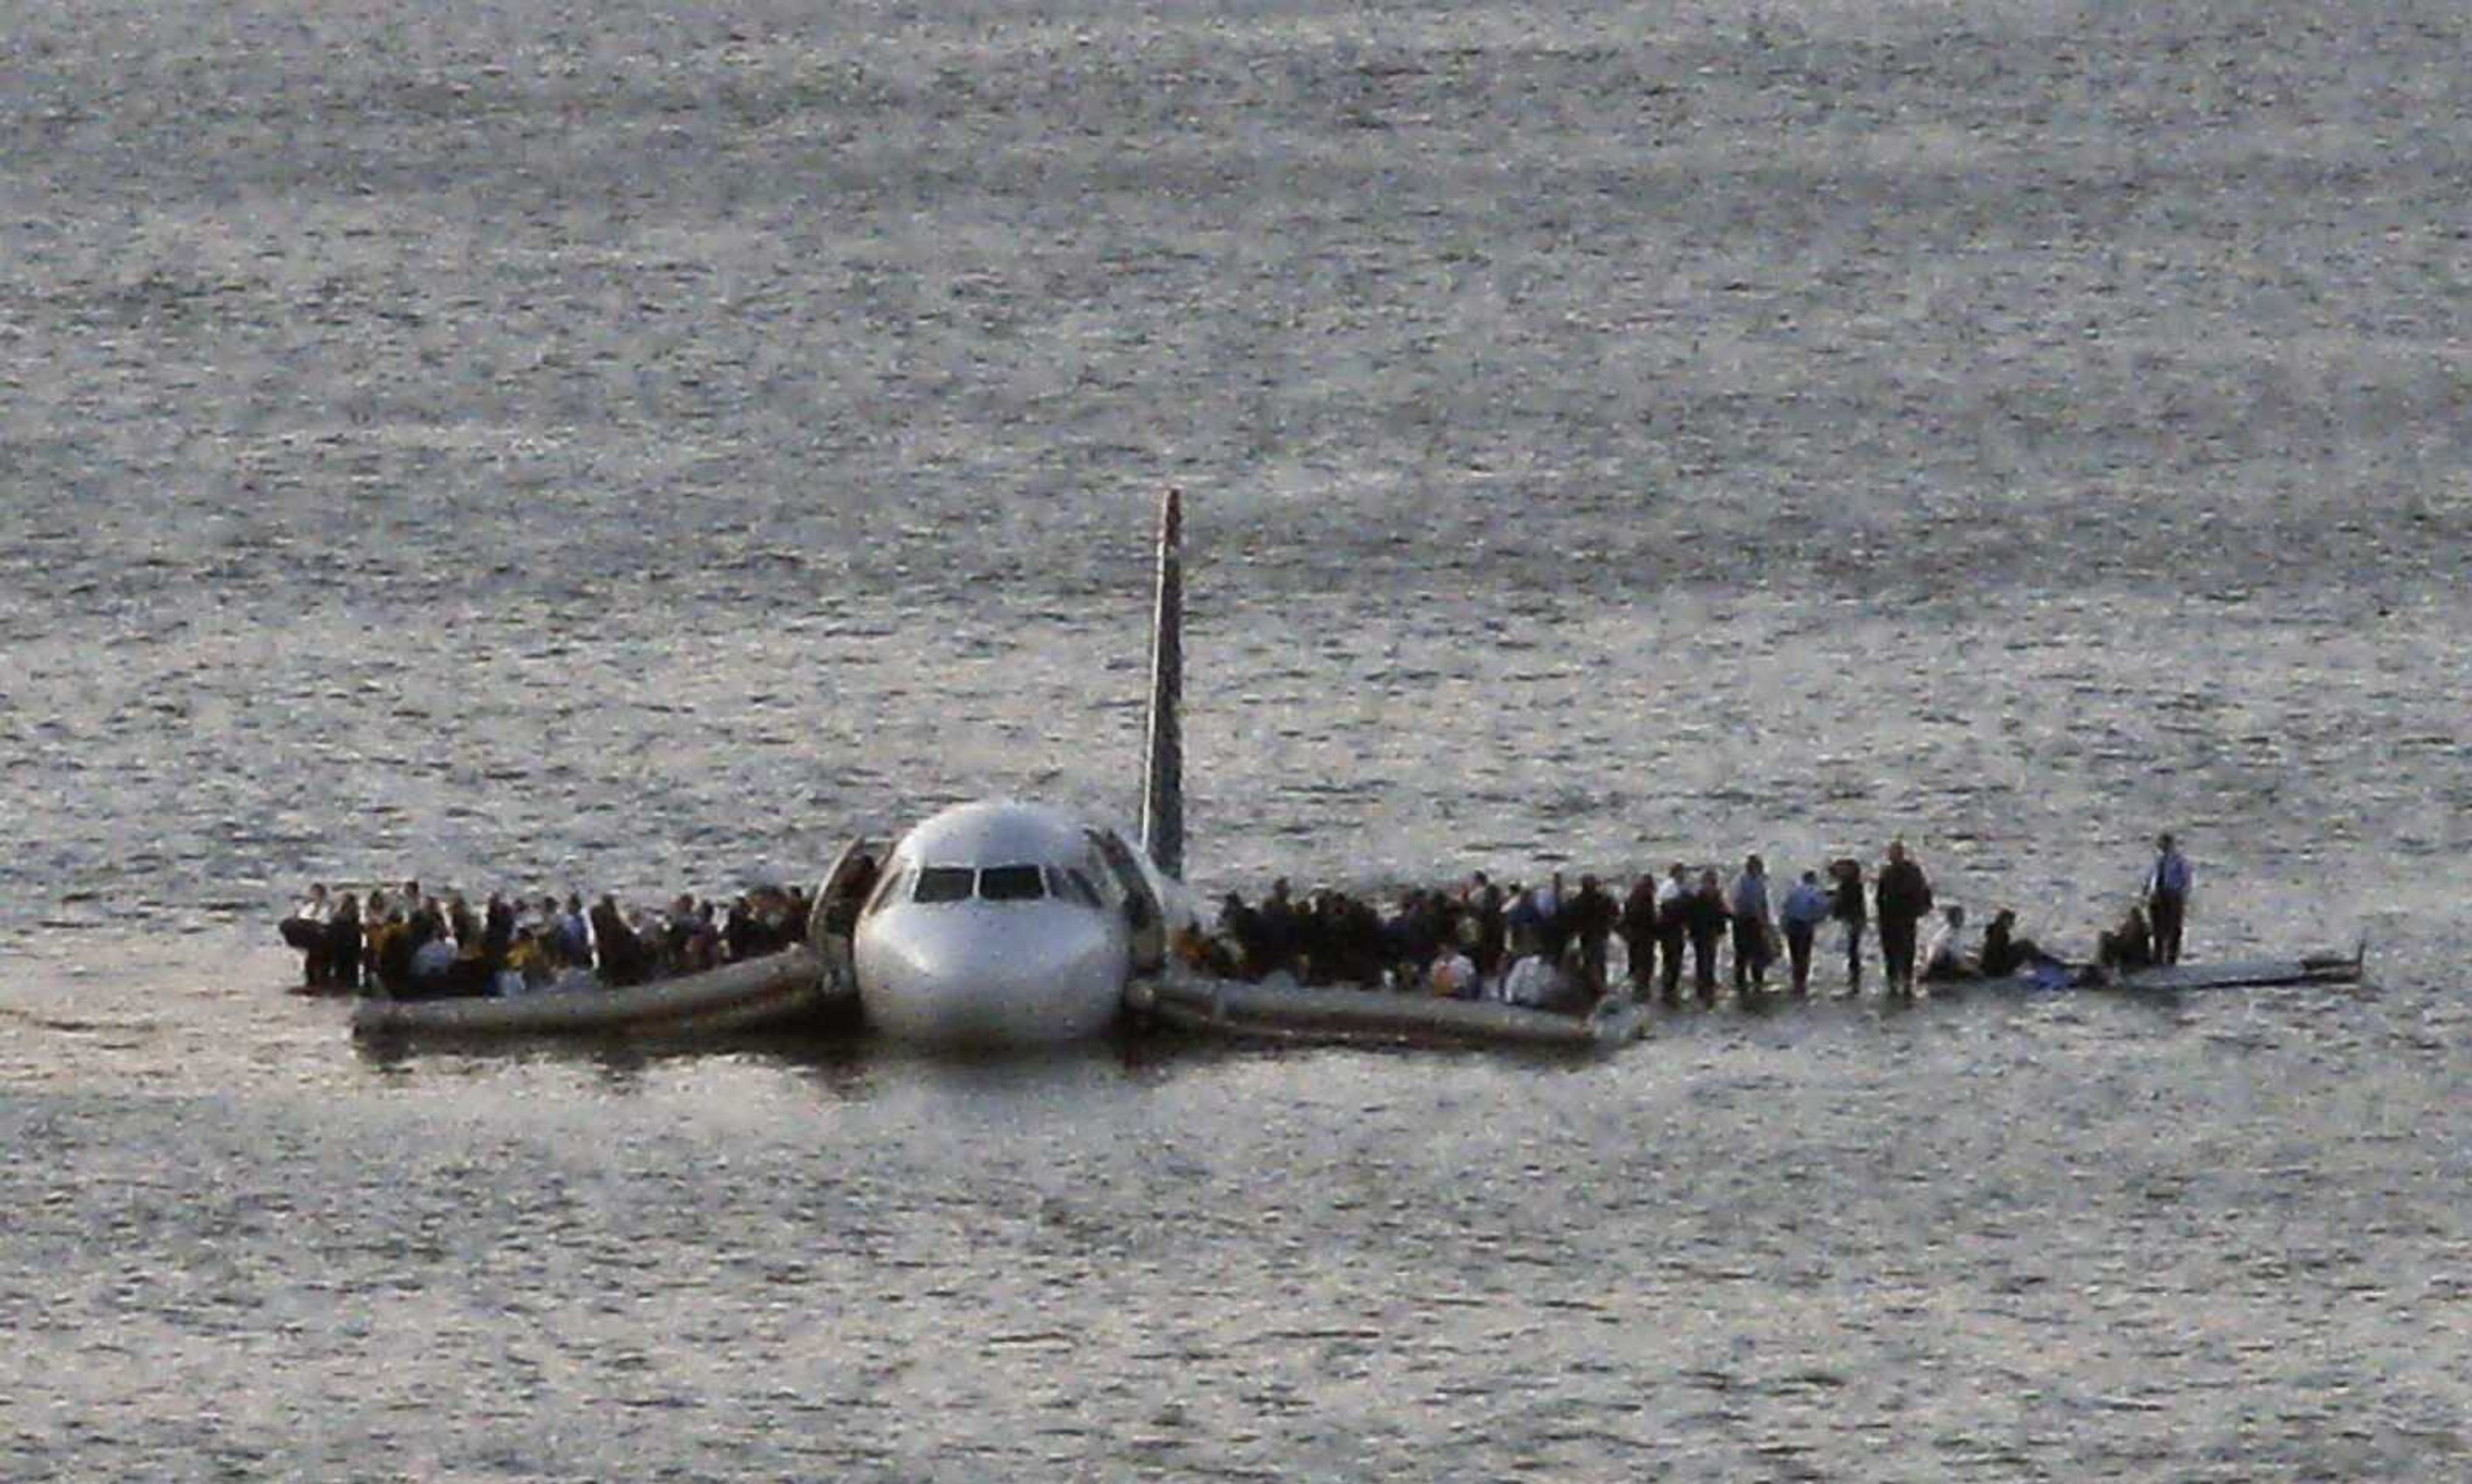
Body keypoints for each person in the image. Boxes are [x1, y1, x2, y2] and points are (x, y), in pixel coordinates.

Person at [1874, 841, 1934, 998]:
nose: (1892, 857)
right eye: (1891, 854)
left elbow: (1925, 890)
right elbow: (1879, 896)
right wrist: (1879, 915)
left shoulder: (1913, 871)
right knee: (1890, 950)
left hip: (1907, 916)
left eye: (1895, 854)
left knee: (1908, 949)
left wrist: (1925, 907)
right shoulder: (1887, 872)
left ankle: (1907, 980)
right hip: (1889, 917)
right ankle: (1893, 981)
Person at [1778, 870, 1830, 996]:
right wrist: (1819, 919)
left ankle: (1795, 979)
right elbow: (1821, 908)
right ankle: (1802, 981)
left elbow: (1785, 906)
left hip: (1791, 924)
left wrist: (1783, 925)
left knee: (1794, 952)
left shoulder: (1794, 890)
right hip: (1805, 924)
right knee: (1805, 952)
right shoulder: (1815, 891)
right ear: (1813, 879)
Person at [1564, 875, 1617, 995]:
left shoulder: (1578, 901)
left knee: (1590, 961)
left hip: (1586, 936)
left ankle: (1592, 987)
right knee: (1599, 961)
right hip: (1599, 934)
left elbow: (1571, 919)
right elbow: (1614, 911)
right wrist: (1609, 924)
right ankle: (1600, 986)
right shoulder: (1603, 899)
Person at [1683, 869, 1729, 1006]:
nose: (1711, 886)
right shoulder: (1697, 898)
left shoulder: (1717, 897)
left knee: (1711, 958)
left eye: (1713, 883)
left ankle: (1709, 983)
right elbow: (1690, 917)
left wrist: (1725, 926)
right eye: (1709, 882)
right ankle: (1702, 986)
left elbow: (1722, 912)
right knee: (1702, 959)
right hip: (1700, 933)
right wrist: (1690, 932)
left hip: (1712, 932)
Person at [1729, 855, 1774, 996]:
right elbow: (1740, 902)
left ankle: (1758, 981)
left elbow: (1763, 902)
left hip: (1756, 921)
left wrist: (1767, 921)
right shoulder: (1740, 882)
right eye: (1759, 867)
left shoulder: (1759, 881)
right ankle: (1741, 983)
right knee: (1742, 953)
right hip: (1743, 921)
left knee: (1758, 952)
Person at [2146, 832, 2193, 966]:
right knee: (2158, 928)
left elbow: (2186, 879)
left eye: (2164, 844)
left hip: (2173, 895)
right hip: (2157, 896)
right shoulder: (2158, 861)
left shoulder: (2179, 861)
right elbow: (2151, 878)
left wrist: (2182, 895)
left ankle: (2171, 959)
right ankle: (2158, 957)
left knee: (2173, 928)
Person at [280, 884, 333, 988]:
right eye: (314, 894)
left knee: (317, 961)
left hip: (321, 937)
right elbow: (300, 919)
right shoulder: (308, 908)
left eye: (318, 894)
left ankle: (318, 981)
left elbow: (327, 922)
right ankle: (313, 980)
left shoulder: (328, 908)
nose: (316, 896)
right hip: (310, 934)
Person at [1828, 858, 1868, 994]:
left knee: (1853, 950)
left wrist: (1835, 908)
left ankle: (1854, 979)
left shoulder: (1850, 887)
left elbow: (1843, 904)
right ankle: (1854, 977)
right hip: (1855, 920)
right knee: (1852, 949)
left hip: (1854, 921)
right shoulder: (1854, 885)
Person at [1654, 864, 1692, 1004]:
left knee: (1670, 959)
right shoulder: (1671, 887)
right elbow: (1670, 908)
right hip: (1671, 930)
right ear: (1675, 874)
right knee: (1673, 959)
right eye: (1681, 873)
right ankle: (1670, 988)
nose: (1683, 876)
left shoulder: (1668, 887)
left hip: (1670, 929)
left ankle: (1668, 987)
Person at [1619, 875, 1660, 997]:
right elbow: (1649, 919)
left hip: (1636, 938)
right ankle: (1641, 991)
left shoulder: (1632, 899)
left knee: (1637, 965)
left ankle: (1638, 989)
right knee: (1644, 965)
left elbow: (1625, 919)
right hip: (1644, 938)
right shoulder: (1644, 900)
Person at [1921, 904, 1977, 981]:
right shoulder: (1950, 934)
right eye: (1960, 917)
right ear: (1951, 918)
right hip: (1942, 965)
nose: (1963, 919)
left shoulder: (1945, 931)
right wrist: (1970, 968)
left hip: (1939, 962)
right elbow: (1956, 955)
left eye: (1962, 917)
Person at [2098, 905, 2155, 972]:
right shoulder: (2130, 927)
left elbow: (2128, 942)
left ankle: (2105, 966)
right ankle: (2104, 965)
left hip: (2133, 960)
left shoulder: (2140, 930)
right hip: (2128, 957)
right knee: (2105, 937)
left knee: (2106, 939)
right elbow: (2122, 938)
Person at [324, 893, 363, 993]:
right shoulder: (340, 915)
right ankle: (344, 983)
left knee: (347, 964)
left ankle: (346, 984)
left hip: (348, 942)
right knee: (342, 964)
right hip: (343, 942)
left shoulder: (353, 914)